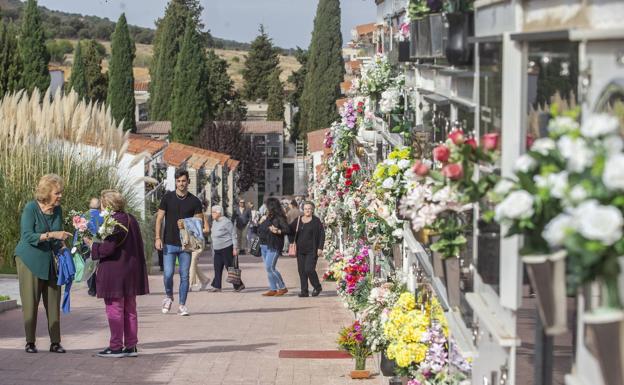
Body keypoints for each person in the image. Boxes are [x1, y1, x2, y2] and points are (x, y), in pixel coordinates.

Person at [85, 190, 149, 358]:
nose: (101, 208)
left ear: (108, 205)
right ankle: (131, 345)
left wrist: (92, 245)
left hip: (115, 271)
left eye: (102, 205)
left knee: (114, 309)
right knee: (130, 309)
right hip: (131, 270)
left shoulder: (114, 222)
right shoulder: (131, 218)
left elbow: (108, 248)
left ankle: (115, 347)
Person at [14, 174, 72, 354]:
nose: (60, 196)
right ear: (47, 193)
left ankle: (55, 342)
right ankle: (30, 342)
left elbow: (57, 235)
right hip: (29, 259)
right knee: (31, 302)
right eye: (57, 192)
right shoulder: (31, 208)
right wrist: (52, 235)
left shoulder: (58, 210)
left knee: (53, 299)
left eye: (61, 192)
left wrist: (64, 248)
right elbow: (27, 236)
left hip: (50, 259)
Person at [154, 169, 203, 316]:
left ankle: (182, 305)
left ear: (188, 181)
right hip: (169, 243)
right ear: (175, 182)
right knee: (168, 274)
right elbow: (159, 219)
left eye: (183, 181)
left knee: (184, 275)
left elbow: (199, 222)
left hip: (186, 245)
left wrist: (187, 224)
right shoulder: (167, 198)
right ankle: (169, 297)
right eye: (179, 181)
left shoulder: (195, 201)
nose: (181, 183)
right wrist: (157, 238)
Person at [290, 201, 325, 297]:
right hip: (300, 251)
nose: (307, 210)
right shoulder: (298, 220)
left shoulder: (316, 221)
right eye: (305, 209)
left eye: (309, 208)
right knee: (301, 271)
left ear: (312, 210)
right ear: (303, 209)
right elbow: (289, 229)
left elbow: (322, 234)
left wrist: (320, 248)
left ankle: (317, 286)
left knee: (309, 269)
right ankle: (304, 291)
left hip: (312, 250)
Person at [257, 197, 290, 296]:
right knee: (268, 268)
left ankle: (282, 287)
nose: (266, 207)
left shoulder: (279, 217)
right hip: (264, 245)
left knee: (270, 267)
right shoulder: (267, 216)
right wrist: (261, 221)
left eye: (267, 205)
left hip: (273, 245)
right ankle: (273, 288)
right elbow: (259, 229)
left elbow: (287, 229)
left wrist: (278, 231)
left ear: (271, 206)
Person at [207, 206, 245, 292]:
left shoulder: (226, 222)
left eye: (213, 212)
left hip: (226, 247)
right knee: (217, 267)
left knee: (230, 267)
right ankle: (217, 286)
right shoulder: (215, 222)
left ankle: (239, 285)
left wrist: (235, 248)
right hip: (217, 249)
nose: (212, 214)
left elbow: (233, 234)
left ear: (219, 213)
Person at [189, 206, 210, 291]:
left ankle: (189, 285)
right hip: (190, 242)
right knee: (192, 264)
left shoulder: (202, 216)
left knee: (192, 261)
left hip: (199, 242)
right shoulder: (188, 216)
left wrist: (197, 230)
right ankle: (204, 280)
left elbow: (207, 229)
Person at [86, 197, 103, 297]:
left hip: (87, 244)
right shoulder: (103, 216)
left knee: (89, 266)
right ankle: (100, 287)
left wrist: (76, 244)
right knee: (99, 267)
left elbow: (78, 231)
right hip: (100, 244)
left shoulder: (84, 215)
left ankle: (92, 289)